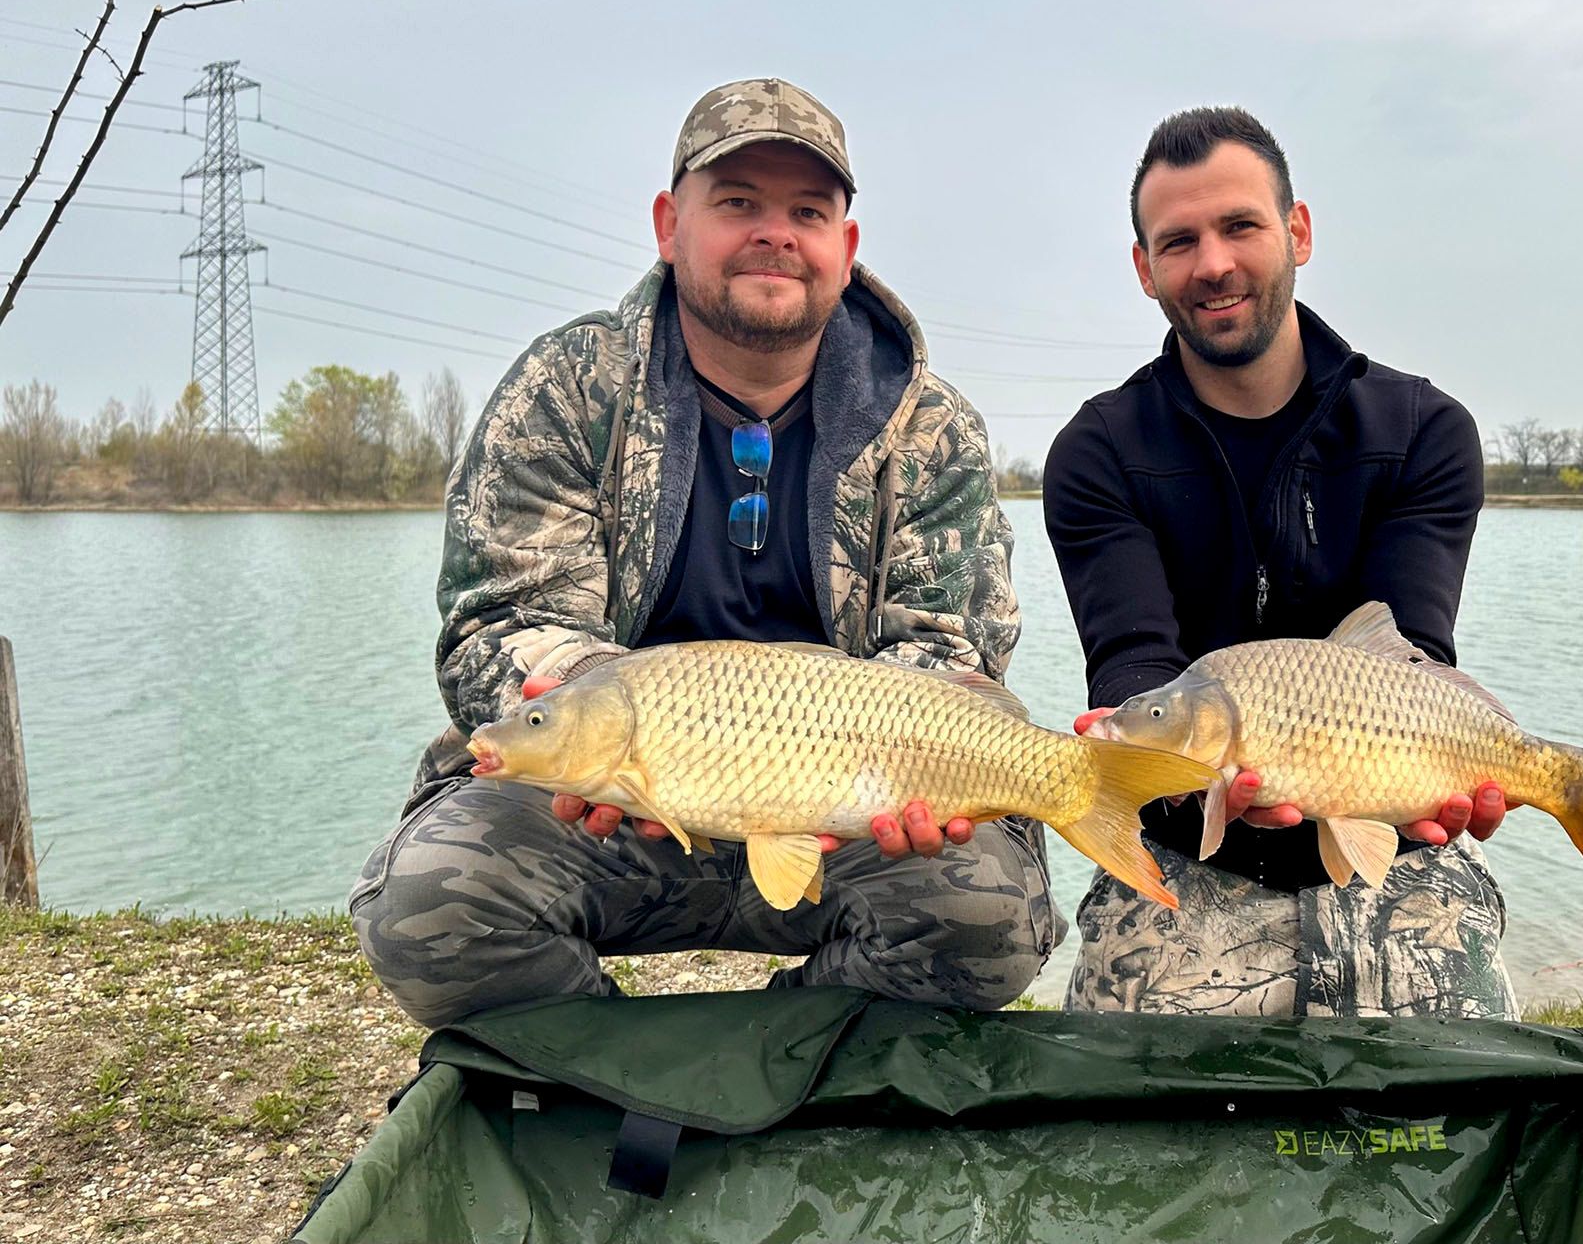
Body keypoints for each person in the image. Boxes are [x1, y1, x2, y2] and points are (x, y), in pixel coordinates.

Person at [351, 78, 1058, 1028]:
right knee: (433, 907)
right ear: (667, 224)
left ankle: (793, 1053)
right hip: (607, 810)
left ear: (845, 251)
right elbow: (501, 623)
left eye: (807, 211)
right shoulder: (566, 390)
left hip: (856, 810)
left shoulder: (932, 429)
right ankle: (614, 1074)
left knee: (988, 922)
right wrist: (621, 738)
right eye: (737, 204)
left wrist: (914, 776)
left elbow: (947, 652)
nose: (775, 232)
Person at [1043, 105, 1515, 1018]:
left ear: (1297, 231)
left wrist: (1428, 782)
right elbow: (1136, 664)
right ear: (1145, 270)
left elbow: (1409, 648)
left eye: (1240, 226)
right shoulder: (1098, 451)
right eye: (1178, 241)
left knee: (1451, 1109)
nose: (1213, 263)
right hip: (1193, 846)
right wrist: (1191, 777)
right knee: (1125, 1118)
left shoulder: (1423, 432)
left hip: (1397, 835)